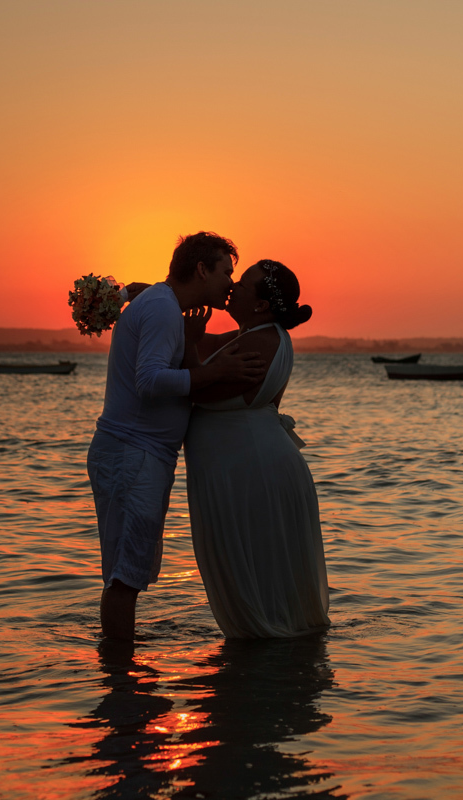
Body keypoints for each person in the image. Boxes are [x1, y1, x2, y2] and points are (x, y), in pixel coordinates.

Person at [87, 232, 266, 641]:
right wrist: (215, 374)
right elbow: (149, 381)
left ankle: (121, 680)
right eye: (226, 272)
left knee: (126, 573)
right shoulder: (162, 310)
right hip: (133, 456)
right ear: (201, 269)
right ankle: (121, 681)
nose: (231, 283)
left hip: (138, 456)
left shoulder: (162, 305)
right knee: (125, 577)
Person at [182, 259, 330, 638]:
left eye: (243, 284)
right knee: (263, 577)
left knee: (262, 578)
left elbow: (195, 389)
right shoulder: (251, 335)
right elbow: (205, 344)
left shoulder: (260, 342)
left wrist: (184, 345)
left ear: (262, 304)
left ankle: (268, 679)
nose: (232, 287)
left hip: (251, 475)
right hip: (248, 468)